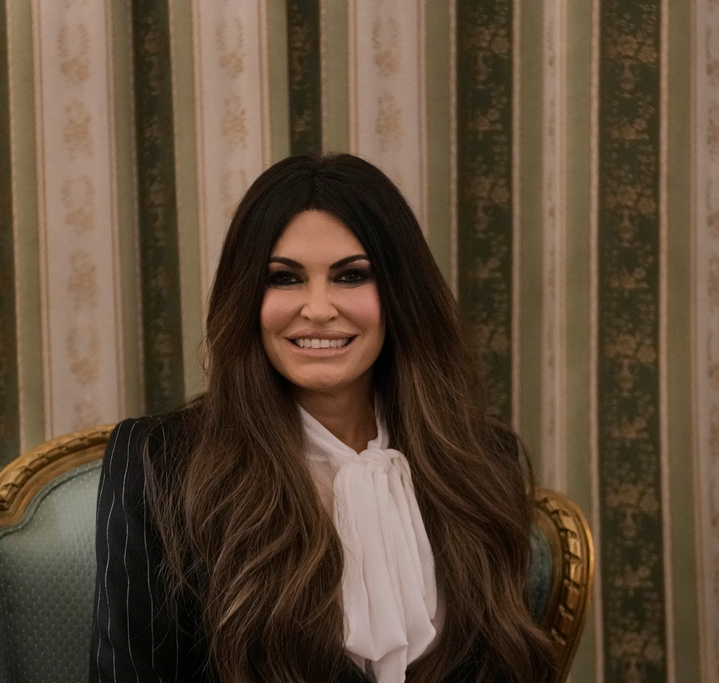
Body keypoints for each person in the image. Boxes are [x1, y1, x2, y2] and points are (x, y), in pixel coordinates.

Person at [90, 154, 557, 682]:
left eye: (352, 276)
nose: (317, 309)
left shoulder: (482, 459)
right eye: (284, 279)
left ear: (401, 294)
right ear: (246, 297)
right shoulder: (158, 462)